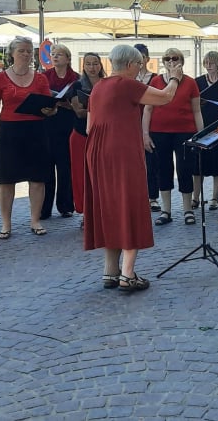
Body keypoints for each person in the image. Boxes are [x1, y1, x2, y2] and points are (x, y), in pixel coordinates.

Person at [84, 44, 182, 292]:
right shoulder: (126, 85)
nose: (141, 69)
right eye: (139, 65)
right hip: (121, 151)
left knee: (109, 207)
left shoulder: (99, 86)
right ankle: (128, 274)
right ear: (129, 65)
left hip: (97, 151)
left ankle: (110, 271)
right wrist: (173, 78)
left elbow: (90, 125)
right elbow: (165, 97)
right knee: (130, 205)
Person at [0, 36, 56, 239]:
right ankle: (6, 223)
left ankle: (35, 219)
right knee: (6, 179)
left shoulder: (40, 78)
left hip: (36, 129)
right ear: (12, 53)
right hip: (10, 131)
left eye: (29, 50)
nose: (26, 54)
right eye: (22, 50)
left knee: (38, 179)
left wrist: (50, 110)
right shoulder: (0, 78)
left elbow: (48, 104)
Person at [143, 48, 203, 225]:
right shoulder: (155, 81)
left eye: (174, 58)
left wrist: (201, 135)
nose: (170, 61)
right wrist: (145, 134)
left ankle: (187, 209)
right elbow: (147, 109)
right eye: (166, 58)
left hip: (185, 131)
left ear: (181, 61)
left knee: (185, 169)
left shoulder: (191, 83)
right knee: (163, 169)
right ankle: (166, 210)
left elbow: (197, 111)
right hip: (159, 131)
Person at [41, 44, 80, 220]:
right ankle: (44, 208)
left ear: (68, 58)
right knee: (46, 167)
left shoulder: (76, 78)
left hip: (68, 124)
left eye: (59, 54)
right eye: (53, 54)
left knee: (66, 167)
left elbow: (82, 103)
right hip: (48, 124)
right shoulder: (43, 77)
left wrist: (68, 105)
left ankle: (66, 206)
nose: (55, 57)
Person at [192, 50, 218, 211]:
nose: (209, 66)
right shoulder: (198, 82)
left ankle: (215, 198)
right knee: (198, 164)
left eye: (212, 62)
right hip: (202, 124)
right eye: (206, 63)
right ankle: (196, 198)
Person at [68, 52, 106, 223]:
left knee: (102, 175)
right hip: (80, 135)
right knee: (81, 174)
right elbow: (79, 112)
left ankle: (102, 211)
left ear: (101, 65)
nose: (92, 67)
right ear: (83, 66)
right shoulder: (77, 85)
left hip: (103, 136)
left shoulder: (107, 84)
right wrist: (99, 108)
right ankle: (86, 214)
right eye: (88, 64)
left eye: (95, 63)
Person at [134, 43, 161, 214]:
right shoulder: (128, 79)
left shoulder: (155, 78)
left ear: (147, 59)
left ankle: (152, 197)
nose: (139, 60)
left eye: (142, 57)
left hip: (150, 124)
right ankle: (136, 197)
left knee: (151, 162)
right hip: (130, 123)